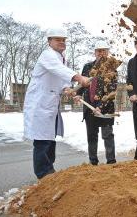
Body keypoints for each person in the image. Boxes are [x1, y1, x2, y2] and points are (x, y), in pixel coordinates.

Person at [23, 28, 89, 179]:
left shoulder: (62, 58)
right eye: (57, 39)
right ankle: (43, 173)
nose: (62, 42)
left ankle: (49, 169)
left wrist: (68, 90)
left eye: (64, 40)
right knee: (42, 140)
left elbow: (60, 79)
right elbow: (59, 70)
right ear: (49, 41)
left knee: (50, 139)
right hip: (40, 103)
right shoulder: (48, 55)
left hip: (51, 104)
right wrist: (79, 78)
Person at [74, 40, 117, 165]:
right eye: (99, 51)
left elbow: (111, 91)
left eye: (104, 51)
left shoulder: (112, 69)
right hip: (89, 107)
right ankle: (93, 162)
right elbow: (82, 84)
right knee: (92, 136)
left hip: (106, 108)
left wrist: (100, 107)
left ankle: (111, 161)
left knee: (107, 135)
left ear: (107, 53)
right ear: (95, 53)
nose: (101, 53)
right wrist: (77, 94)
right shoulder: (88, 67)